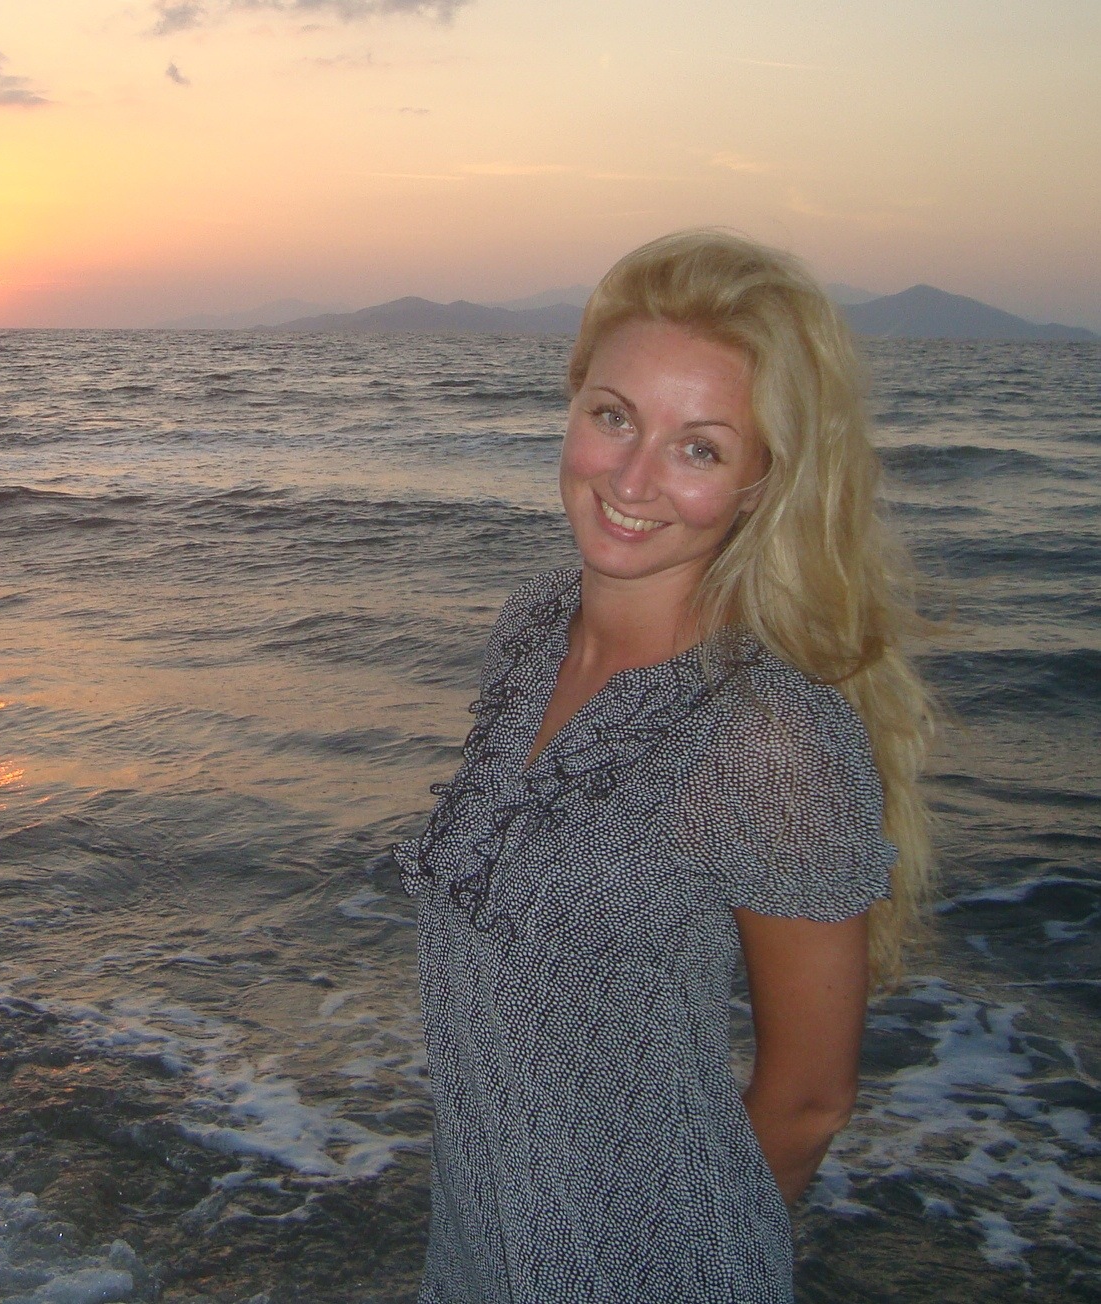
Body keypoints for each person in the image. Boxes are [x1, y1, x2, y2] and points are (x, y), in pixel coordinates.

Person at [393, 230, 934, 1303]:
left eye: (699, 448)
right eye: (613, 417)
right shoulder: (533, 630)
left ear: (761, 481)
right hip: (477, 1253)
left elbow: (809, 1100)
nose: (632, 479)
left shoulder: (765, 734)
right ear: (572, 405)